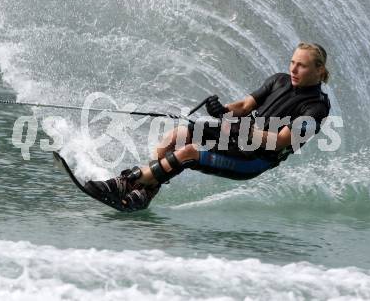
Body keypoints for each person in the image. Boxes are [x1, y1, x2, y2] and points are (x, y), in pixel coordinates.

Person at [83, 42, 331, 211]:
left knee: (189, 152)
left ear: (319, 70)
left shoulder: (316, 108)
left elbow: (280, 141)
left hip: (255, 158)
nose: (294, 69)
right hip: (237, 138)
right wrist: (223, 110)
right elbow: (245, 106)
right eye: (292, 62)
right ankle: (145, 194)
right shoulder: (279, 80)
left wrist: (238, 130)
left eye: (302, 65)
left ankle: (125, 183)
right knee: (174, 137)